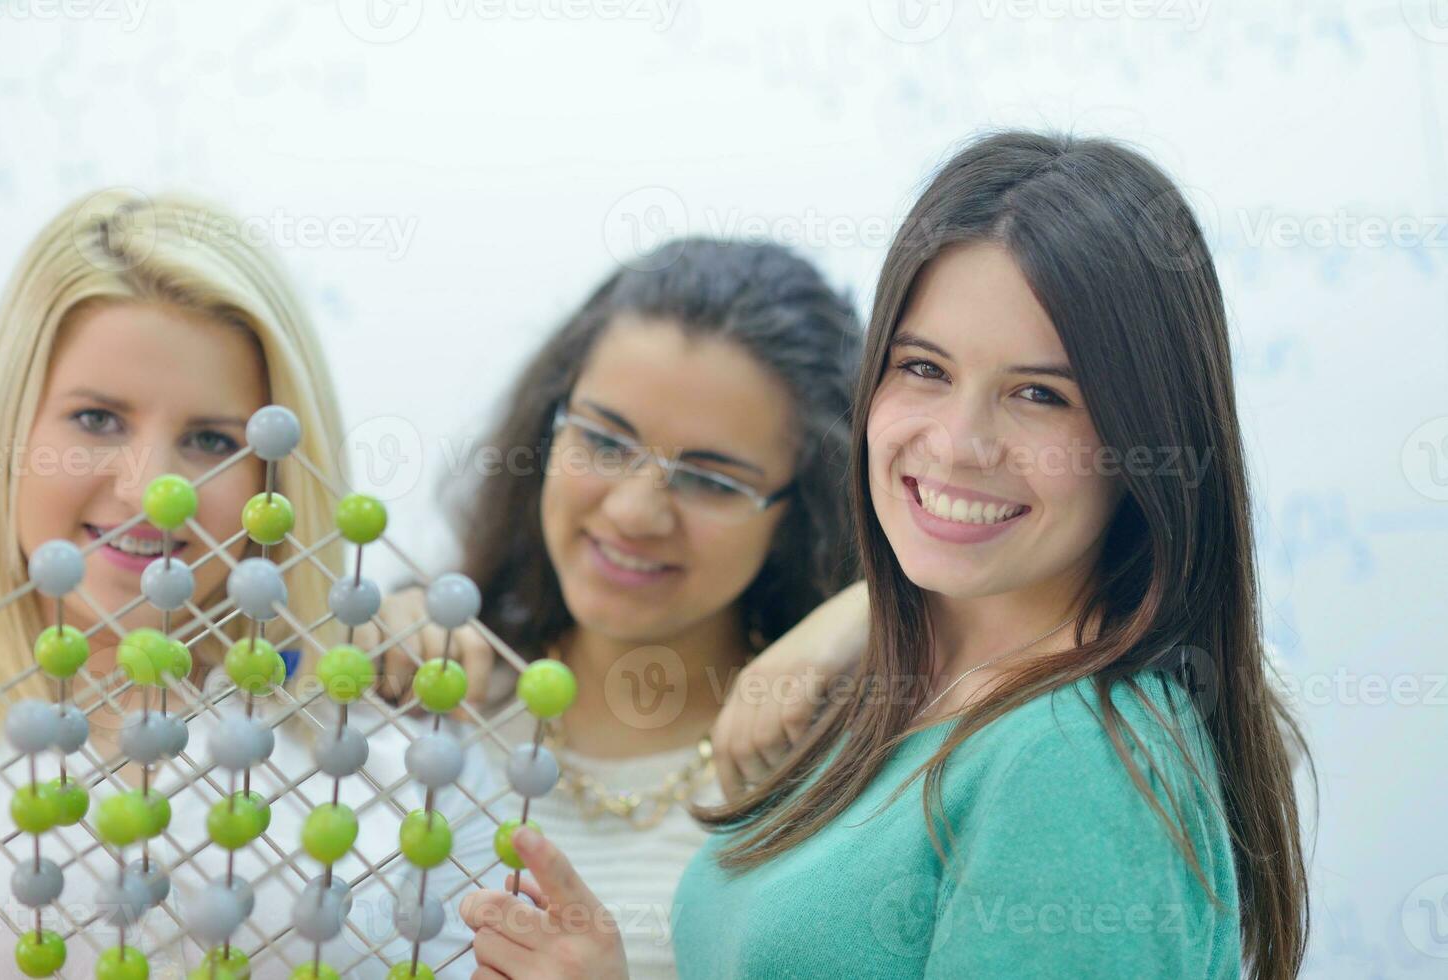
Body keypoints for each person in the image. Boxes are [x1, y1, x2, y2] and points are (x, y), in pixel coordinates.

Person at [458, 131, 1311, 979]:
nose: (958, 443)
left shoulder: (1072, 758)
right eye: (925, 369)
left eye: (1040, 394)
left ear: (1145, 438)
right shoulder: (903, 695)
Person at [0, 190, 494, 977]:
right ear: (11, 424)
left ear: (276, 476)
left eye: (212, 439)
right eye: (96, 419)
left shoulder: (396, 756)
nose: (151, 489)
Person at [366, 237, 862, 978]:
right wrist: (353, 648)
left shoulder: (827, 784)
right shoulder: (426, 688)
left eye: (713, 482)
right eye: (602, 439)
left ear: (800, 517)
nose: (634, 511)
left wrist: (877, 605)